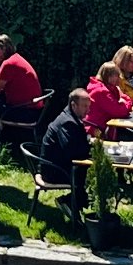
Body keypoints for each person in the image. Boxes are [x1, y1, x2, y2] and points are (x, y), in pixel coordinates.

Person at [40, 87, 91, 215]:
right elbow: (73, 152)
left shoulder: (70, 117)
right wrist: (90, 149)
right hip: (54, 171)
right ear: (73, 105)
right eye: (85, 106)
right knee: (90, 173)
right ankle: (69, 202)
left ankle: (76, 202)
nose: (88, 110)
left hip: (58, 164)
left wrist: (89, 142)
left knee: (88, 171)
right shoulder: (67, 123)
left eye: (88, 106)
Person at [0, 34, 43, 114]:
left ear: (4, 49)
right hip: (33, 108)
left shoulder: (9, 64)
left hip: (26, 110)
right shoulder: (15, 58)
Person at [84, 61, 133, 140]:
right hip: (96, 130)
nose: (119, 78)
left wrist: (123, 99)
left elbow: (119, 100)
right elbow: (120, 111)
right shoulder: (101, 91)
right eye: (117, 75)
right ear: (109, 76)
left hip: (104, 127)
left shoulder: (108, 88)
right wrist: (127, 101)